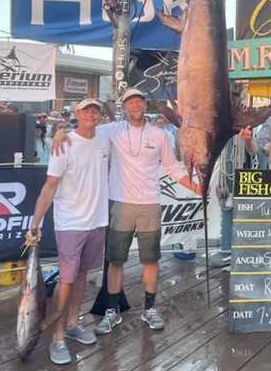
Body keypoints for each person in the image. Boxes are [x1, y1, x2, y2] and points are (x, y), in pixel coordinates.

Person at [53, 88, 201, 334]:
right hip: (120, 203)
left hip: (150, 204)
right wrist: (61, 131)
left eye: (139, 101)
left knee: (151, 260)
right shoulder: (111, 130)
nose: (135, 105)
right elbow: (84, 131)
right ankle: (112, 311)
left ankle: (150, 309)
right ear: (124, 107)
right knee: (116, 260)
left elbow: (173, 168)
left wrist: (197, 188)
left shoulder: (161, 134)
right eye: (130, 102)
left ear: (145, 105)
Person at [26, 99, 110, 365]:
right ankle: (58, 337)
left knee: (82, 275)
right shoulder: (64, 143)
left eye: (95, 110)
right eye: (86, 110)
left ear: (100, 115)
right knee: (67, 280)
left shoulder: (106, 138)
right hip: (71, 223)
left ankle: (74, 323)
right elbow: (50, 186)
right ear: (77, 114)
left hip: (97, 221)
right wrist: (35, 222)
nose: (91, 114)